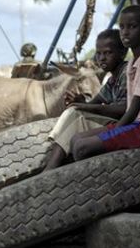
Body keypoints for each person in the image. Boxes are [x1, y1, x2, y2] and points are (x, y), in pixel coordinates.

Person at [69, 5, 140, 160]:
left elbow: (132, 110)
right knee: (75, 139)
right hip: (138, 126)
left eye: (132, 27)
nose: (125, 32)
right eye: (122, 27)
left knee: (81, 147)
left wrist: (113, 132)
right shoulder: (133, 62)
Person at [41, 29, 128, 171]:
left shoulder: (126, 73)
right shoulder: (112, 80)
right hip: (114, 122)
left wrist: (85, 107)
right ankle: (56, 158)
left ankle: (52, 164)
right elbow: (93, 104)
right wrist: (81, 101)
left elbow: (123, 110)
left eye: (108, 53)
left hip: (125, 125)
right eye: (99, 54)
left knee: (76, 113)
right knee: (75, 110)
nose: (102, 58)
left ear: (122, 53)